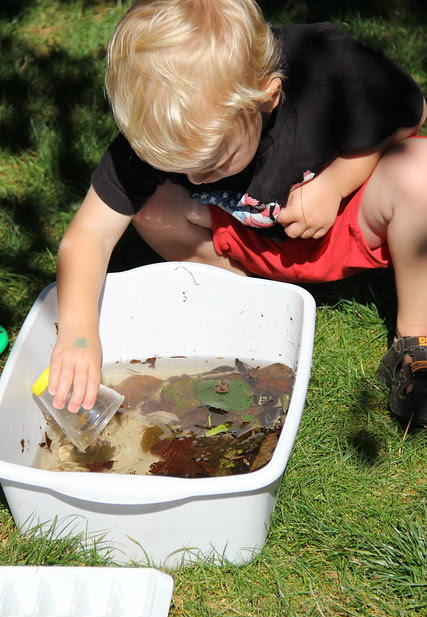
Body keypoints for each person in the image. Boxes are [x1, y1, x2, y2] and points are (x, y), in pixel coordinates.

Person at [48, 0, 427, 423]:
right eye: (177, 167)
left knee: (419, 170)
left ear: (269, 97)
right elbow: (89, 233)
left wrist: (335, 184)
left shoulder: (325, 68)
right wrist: (78, 335)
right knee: (147, 204)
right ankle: (244, 297)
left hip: (339, 230)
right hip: (247, 244)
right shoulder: (164, 122)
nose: (195, 180)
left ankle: (416, 340)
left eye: (214, 163)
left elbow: (411, 114)